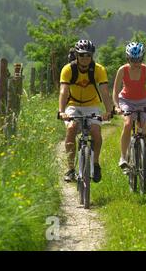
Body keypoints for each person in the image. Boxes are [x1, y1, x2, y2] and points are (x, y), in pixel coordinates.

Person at [58, 39, 113, 183]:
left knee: (95, 131)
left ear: (92, 55)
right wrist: (61, 111)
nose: (85, 58)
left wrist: (108, 111)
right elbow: (63, 92)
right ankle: (70, 169)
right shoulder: (68, 69)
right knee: (71, 129)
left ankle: (95, 163)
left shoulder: (99, 69)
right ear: (76, 55)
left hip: (92, 104)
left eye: (88, 55)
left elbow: (105, 92)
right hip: (73, 104)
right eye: (81, 55)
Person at [113, 42, 146, 173]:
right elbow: (115, 91)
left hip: (143, 101)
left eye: (139, 60)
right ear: (128, 58)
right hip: (126, 100)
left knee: (144, 133)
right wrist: (117, 106)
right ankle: (123, 157)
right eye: (133, 60)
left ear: (142, 58)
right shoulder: (122, 70)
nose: (136, 63)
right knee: (127, 124)